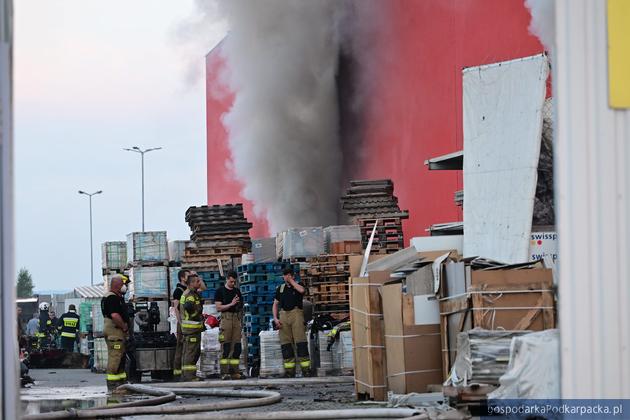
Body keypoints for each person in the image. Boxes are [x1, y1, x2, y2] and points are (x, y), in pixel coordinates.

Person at [272, 268, 311, 378]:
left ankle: (306, 370)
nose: (286, 277)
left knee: (301, 342)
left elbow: (302, 291)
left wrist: (292, 282)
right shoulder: (280, 289)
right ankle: (289, 371)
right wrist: (275, 318)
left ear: (293, 276)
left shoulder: (298, 285)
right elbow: (275, 304)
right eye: (285, 276)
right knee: (286, 344)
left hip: (296, 314)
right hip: (284, 315)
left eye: (288, 275)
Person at [101, 275, 130, 392]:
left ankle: (121, 383)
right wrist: (124, 327)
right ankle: (113, 385)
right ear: (117, 285)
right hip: (115, 331)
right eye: (123, 284)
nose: (125, 287)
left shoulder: (115, 297)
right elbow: (115, 315)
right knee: (115, 357)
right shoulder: (111, 298)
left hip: (117, 331)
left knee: (121, 356)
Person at [214, 271, 244, 380]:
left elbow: (240, 306)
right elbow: (218, 307)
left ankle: (234, 372)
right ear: (227, 279)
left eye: (234, 282)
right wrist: (231, 304)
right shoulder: (220, 291)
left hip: (236, 319)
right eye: (231, 281)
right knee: (226, 347)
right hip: (226, 319)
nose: (233, 283)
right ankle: (224, 372)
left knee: (236, 347)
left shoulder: (237, 291)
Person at [179, 273, 204, 381]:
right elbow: (189, 307)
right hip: (192, 328)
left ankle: (187, 375)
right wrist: (196, 315)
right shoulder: (190, 295)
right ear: (192, 283)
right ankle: (189, 376)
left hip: (190, 329)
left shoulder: (189, 293)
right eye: (197, 281)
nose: (199, 283)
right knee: (191, 353)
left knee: (189, 352)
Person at [170, 269, 189, 380]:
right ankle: (177, 373)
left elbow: (202, 288)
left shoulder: (189, 289)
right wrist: (181, 323)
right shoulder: (178, 291)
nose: (190, 277)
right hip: (182, 323)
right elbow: (176, 309)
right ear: (182, 278)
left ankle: (184, 372)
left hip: (188, 323)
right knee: (180, 348)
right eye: (188, 276)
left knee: (187, 349)